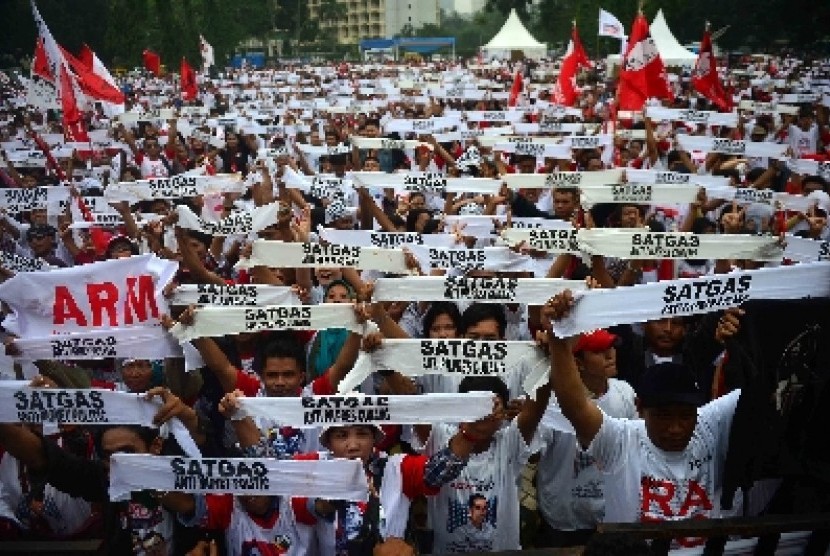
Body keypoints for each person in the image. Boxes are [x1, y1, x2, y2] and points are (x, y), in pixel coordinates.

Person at [543, 289, 745, 548]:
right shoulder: (620, 440)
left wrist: (739, 341)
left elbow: (760, 389)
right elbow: (575, 405)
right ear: (640, 408)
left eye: (685, 416)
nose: (675, 428)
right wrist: (558, 338)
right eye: (662, 416)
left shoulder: (710, 423)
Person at [0, 383, 205, 554]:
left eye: (127, 453)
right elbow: (42, 457)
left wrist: (188, 416)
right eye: (109, 456)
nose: (118, 463)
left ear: (156, 446)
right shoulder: (104, 477)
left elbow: (189, 503)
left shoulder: (182, 472)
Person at [534, 329, 638, 548]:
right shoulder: (552, 402)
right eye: (599, 351)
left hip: (609, 512)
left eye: (611, 347)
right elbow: (533, 451)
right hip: (564, 517)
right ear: (578, 363)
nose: (610, 355)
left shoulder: (626, 392)